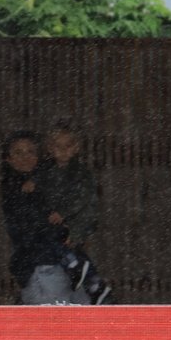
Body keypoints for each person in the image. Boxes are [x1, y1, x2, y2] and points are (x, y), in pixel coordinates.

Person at [0, 130, 109, 305]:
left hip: (66, 266)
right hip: (42, 266)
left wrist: (75, 233)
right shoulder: (16, 188)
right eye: (18, 152)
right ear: (8, 159)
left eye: (31, 152)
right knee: (54, 323)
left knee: (78, 322)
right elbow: (34, 228)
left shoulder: (49, 181)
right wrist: (64, 236)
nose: (25, 157)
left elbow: (84, 206)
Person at [37, 121, 111, 304]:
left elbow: (84, 201)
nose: (62, 150)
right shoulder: (47, 171)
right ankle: (93, 283)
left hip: (78, 221)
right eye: (57, 146)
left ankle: (88, 277)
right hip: (59, 223)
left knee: (71, 250)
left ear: (76, 147)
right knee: (59, 244)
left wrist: (69, 220)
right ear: (49, 148)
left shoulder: (80, 173)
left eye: (68, 146)